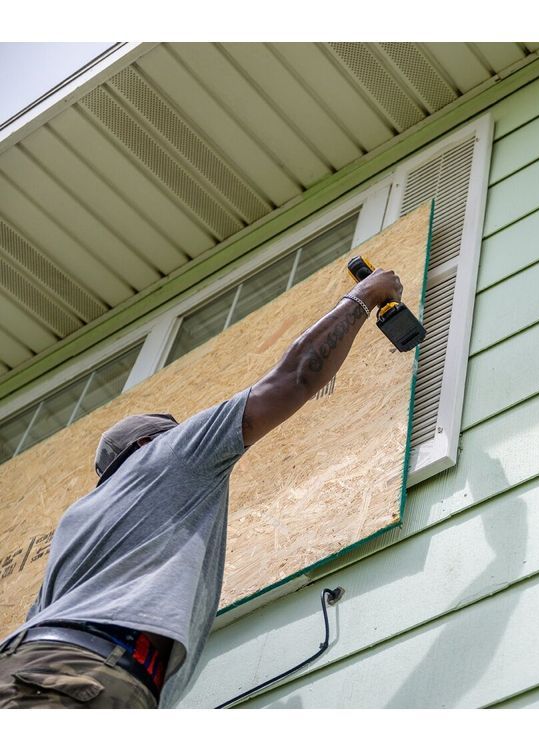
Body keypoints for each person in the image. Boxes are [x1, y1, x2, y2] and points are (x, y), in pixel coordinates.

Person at [0, 268, 404, 709]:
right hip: (80, 675)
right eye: (181, 432)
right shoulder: (164, 457)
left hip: (34, 670)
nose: (194, 439)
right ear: (147, 444)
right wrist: (366, 295)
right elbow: (292, 380)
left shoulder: (76, 522)